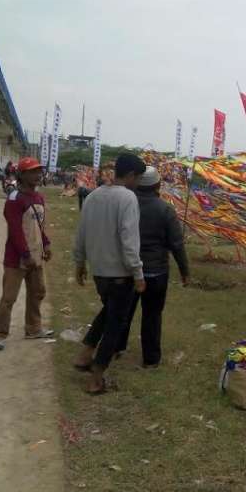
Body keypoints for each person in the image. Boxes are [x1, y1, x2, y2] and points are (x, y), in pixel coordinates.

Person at [72, 153, 147, 395]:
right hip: (120, 274)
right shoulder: (128, 198)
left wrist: (80, 263)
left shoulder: (93, 196)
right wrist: (138, 273)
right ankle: (96, 377)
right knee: (115, 324)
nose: (139, 183)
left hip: (99, 273)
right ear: (131, 175)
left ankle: (85, 354)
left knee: (108, 313)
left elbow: (81, 232)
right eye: (139, 178)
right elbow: (129, 240)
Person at [114, 167, 189, 367]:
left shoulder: (126, 205)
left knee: (124, 312)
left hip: (128, 269)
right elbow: (177, 244)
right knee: (152, 316)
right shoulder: (165, 209)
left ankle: (116, 348)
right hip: (156, 272)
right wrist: (184, 271)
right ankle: (151, 359)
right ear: (158, 185)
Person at [0, 157, 54, 350]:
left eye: (38, 171)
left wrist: (46, 244)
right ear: (22, 175)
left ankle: (33, 328)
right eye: (32, 171)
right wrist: (26, 255)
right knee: (9, 297)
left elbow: (38, 227)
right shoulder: (14, 199)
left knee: (38, 292)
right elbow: (15, 230)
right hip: (17, 258)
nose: (37, 175)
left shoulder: (39, 198)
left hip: (36, 255)